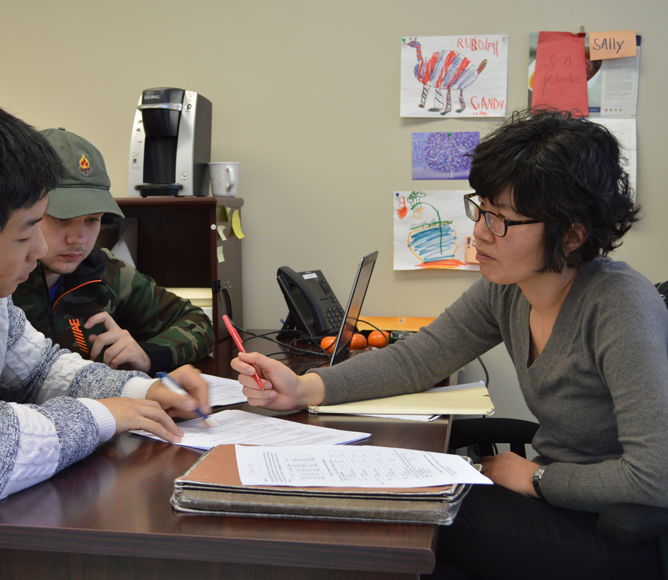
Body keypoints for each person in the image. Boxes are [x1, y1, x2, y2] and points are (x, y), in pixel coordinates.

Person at [231, 110, 668, 579]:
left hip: (617, 531)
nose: (479, 232)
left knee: (413, 519)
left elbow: (654, 475)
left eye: (501, 220)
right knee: (410, 531)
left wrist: (540, 479)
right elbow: (420, 357)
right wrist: (303, 387)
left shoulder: (618, 305)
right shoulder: (508, 287)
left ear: (572, 234)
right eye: (480, 208)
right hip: (559, 502)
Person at [0, 95, 210, 518]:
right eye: (25, 235)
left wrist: (144, 391)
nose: (39, 248)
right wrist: (103, 415)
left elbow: (40, 369)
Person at [12, 128, 215, 374]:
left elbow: (198, 322)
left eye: (92, 220)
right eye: (62, 219)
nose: (79, 239)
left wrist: (147, 354)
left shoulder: (103, 270)